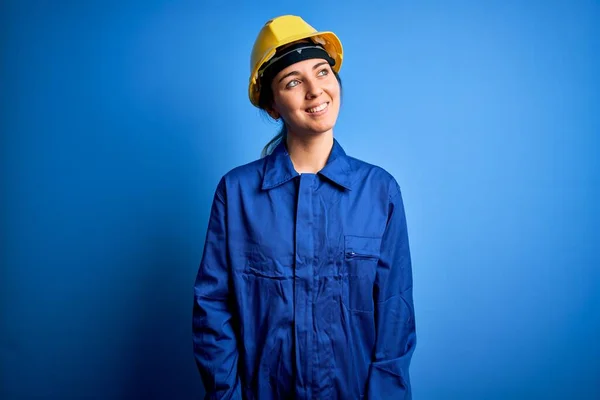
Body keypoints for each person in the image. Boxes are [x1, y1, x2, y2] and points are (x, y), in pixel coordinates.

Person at [192, 15, 416, 400]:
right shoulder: (238, 193)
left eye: (322, 72)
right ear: (273, 106)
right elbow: (213, 310)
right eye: (293, 82)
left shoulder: (380, 191)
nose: (316, 91)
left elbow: (395, 317)